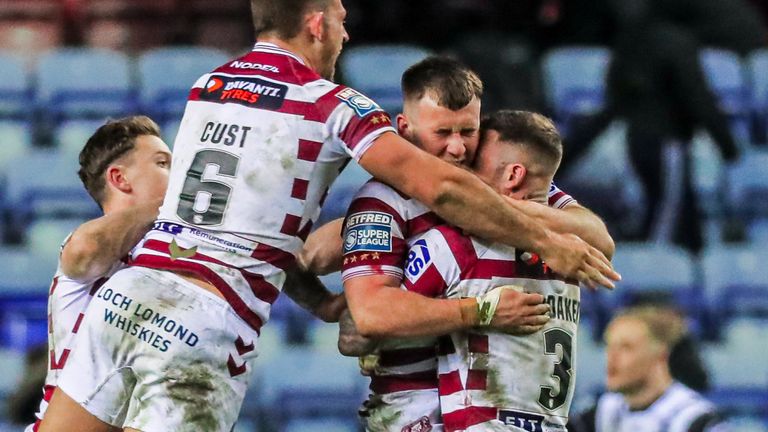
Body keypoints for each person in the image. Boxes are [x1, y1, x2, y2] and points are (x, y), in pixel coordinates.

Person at [40, 0, 618, 430]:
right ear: (316, 22)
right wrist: (550, 241)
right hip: (205, 320)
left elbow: (254, 231)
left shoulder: (208, 85)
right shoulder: (331, 102)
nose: (345, 32)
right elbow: (440, 188)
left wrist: (318, 303)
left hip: (132, 292)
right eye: (341, 18)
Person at [327, 57, 614, 432]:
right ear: (405, 128)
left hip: (475, 410)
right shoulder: (383, 201)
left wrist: (488, 206)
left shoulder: (492, 192)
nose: (459, 148)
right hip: (412, 406)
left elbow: (599, 239)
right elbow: (363, 316)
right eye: (443, 132)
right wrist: (481, 310)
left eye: (468, 131)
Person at [396, 110, 582, 431]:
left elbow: (379, 321)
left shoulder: (459, 246)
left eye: (475, 169)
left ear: (513, 176)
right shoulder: (572, 253)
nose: (464, 179)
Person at [28, 116, 172, 432]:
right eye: (163, 164)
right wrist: (167, 206)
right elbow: (83, 252)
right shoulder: (89, 245)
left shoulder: (172, 252)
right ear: (120, 179)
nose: (176, 177)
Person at [562, 0, 740, 253]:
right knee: (664, 226)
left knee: (646, 216)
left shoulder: (629, 39)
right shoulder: (676, 42)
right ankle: (653, 280)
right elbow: (697, 98)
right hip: (665, 142)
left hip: (628, 142)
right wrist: (728, 146)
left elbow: (614, 96)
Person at [568, 306, 725, 432]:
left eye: (626, 347)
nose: (612, 358)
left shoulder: (693, 418)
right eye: (609, 346)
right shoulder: (603, 412)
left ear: (660, 356)